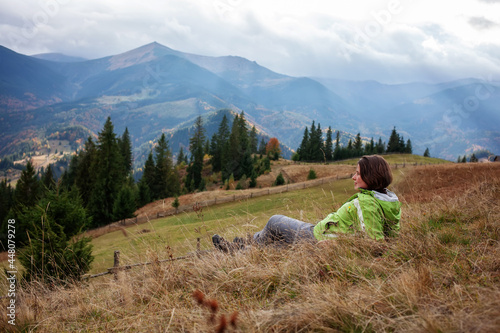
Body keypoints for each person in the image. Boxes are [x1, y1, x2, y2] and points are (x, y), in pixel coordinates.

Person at [212, 155, 401, 252]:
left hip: (319, 237)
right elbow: (391, 234)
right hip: (322, 233)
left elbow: (376, 244)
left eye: (358, 174)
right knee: (278, 247)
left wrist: (338, 246)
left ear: (371, 176)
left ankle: (239, 245)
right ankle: (239, 249)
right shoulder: (387, 199)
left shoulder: (368, 203)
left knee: (274, 222)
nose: (353, 177)